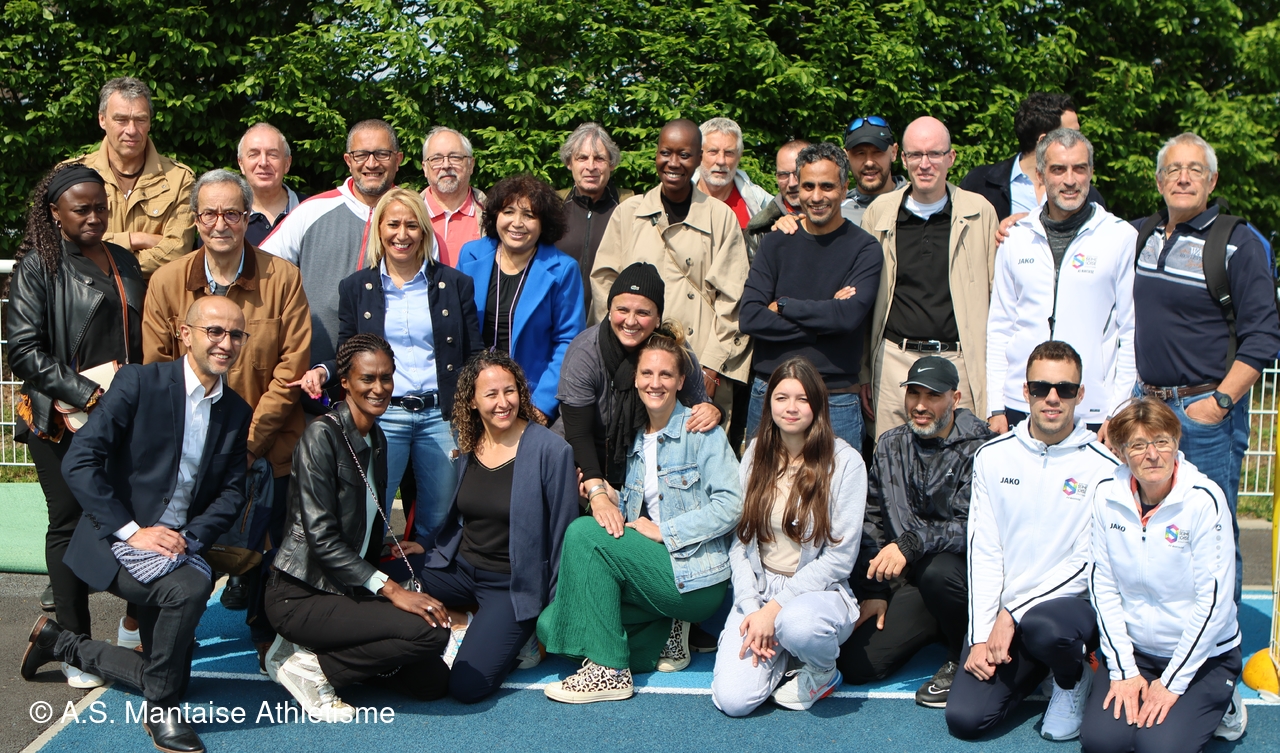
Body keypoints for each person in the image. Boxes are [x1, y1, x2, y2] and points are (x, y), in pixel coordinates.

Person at [21, 296, 252, 753]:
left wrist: (191, 538)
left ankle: (60, 643)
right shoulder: (139, 382)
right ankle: (161, 711)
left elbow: (232, 492)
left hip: (177, 548)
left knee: (172, 674)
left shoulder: (236, 410)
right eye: (214, 331)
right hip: (118, 540)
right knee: (189, 591)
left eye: (236, 334)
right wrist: (132, 531)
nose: (226, 343)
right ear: (185, 335)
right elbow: (80, 461)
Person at [141, 168, 311, 649]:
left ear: (247, 217)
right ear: (196, 219)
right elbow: (158, 370)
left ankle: (267, 639)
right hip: (189, 446)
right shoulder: (167, 281)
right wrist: (200, 442)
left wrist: (248, 443)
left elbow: (292, 368)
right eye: (210, 213)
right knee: (182, 544)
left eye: (232, 213)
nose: (221, 223)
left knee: (269, 552)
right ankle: (172, 636)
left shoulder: (283, 278)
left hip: (268, 446)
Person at [538, 329, 744, 702]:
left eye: (666, 374)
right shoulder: (636, 438)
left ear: (680, 381)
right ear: (636, 379)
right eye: (647, 373)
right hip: (654, 572)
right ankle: (664, 633)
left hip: (696, 576)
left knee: (583, 533)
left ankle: (610, 671)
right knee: (552, 624)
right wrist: (607, 495)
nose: (655, 382)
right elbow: (637, 511)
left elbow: (732, 504)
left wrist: (666, 531)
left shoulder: (701, 431)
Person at [7, 163, 145, 689]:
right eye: (81, 209)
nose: (93, 217)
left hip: (121, 414)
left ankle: (133, 631)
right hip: (60, 420)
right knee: (68, 524)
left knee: (136, 516)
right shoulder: (38, 266)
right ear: (54, 212)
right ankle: (73, 647)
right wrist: (87, 393)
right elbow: (23, 350)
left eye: (101, 208)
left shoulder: (123, 259)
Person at [265, 334, 453, 721]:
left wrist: (390, 552)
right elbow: (321, 539)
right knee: (431, 633)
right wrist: (392, 590)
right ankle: (310, 668)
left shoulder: (376, 436)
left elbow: (361, 521)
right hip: (301, 594)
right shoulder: (321, 436)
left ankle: (319, 655)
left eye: (386, 378)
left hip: (346, 588)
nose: (379, 388)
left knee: (431, 682)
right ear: (345, 382)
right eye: (367, 378)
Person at [1132, 132, 1280, 606]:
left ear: (1212, 181)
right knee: (1149, 527)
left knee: (1211, 532)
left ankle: (1221, 638)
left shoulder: (1238, 243)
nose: (1183, 178)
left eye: (1195, 170)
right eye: (1173, 169)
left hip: (1205, 413)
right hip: (1147, 410)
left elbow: (1264, 337)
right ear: (1159, 181)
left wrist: (1218, 404)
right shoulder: (1139, 235)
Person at [946, 341, 1119, 742]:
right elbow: (984, 550)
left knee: (1047, 628)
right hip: (1004, 621)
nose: (1052, 398)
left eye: (1065, 389)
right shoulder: (992, 456)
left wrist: (1013, 613)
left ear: (1080, 394)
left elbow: (1088, 562)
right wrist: (981, 635)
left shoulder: (1105, 469)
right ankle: (1038, 669)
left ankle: (1071, 677)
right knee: (966, 720)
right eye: (1041, 388)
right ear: (1026, 392)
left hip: (1065, 615)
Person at [293, 188, 482, 543]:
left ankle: (428, 575)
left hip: (440, 416)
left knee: (439, 518)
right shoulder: (356, 287)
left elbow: (473, 353)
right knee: (369, 513)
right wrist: (323, 371)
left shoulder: (455, 285)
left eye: (412, 225)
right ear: (379, 228)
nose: (402, 234)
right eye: (393, 224)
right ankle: (371, 575)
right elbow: (348, 351)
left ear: (423, 231)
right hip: (382, 415)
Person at [406, 351, 579, 702]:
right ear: (472, 401)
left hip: (508, 587)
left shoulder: (551, 450)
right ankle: (463, 619)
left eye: (510, 391)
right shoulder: (469, 442)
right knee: (385, 581)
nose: (503, 403)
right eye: (491, 394)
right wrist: (425, 542)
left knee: (466, 687)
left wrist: (551, 613)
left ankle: (519, 639)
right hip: (458, 570)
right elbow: (465, 513)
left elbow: (564, 535)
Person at [1082, 398, 1244, 752]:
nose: (1152, 454)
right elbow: (1102, 585)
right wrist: (1124, 669)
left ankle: (1225, 704)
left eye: (1161, 441)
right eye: (1138, 445)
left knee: (1158, 748)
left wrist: (1172, 682)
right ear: (1122, 452)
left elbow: (1214, 603)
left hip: (1204, 656)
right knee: (1102, 742)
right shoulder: (1105, 495)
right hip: (1138, 652)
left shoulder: (1204, 500)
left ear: (1176, 442)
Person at [711, 357, 866, 716]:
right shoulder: (755, 453)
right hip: (760, 590)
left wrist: (775, 610)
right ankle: (785, 656)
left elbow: (839, 559)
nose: (791, 408)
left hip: (815, 596)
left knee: (798, 625)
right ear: (769, 404)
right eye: (781, 398)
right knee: (733, 701)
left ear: (818, 405)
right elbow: (740, 542)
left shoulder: (846, 463)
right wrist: (753, 607)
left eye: (802, 399)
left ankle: (821, 671)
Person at [839, 355, 995, 707]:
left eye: (933, 396)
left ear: (955, 398)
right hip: (912, 583)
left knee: (937, 571)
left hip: (963, 580)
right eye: (914, 393)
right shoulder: (889, 444)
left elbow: (975, 528)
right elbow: (872, 518)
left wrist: (912, 542)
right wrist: (875, 590)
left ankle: (959, 652)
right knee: (856, 665)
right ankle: (937, 626)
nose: (920, 405)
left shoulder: (984, 448)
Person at [591, 119, 752, 429]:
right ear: (656, 154)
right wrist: (618, 352)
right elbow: (604, 286)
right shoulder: (629, 213)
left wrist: (712, 367)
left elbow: (734, 300)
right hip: (635, 367)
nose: (674, 163)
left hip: (698, 365)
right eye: (666, 153)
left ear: (699, 157)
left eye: (684, 155)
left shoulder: (721, 217)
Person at [986, 129, 1136, 438]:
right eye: (1058, 169)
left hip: (1091, 408)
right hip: (1021, 403)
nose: (1070, 180)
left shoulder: (1120, 237)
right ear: (1040, 176)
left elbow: (1131, 332)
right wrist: (996, 406)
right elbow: (1000, 326)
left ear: (1090, 172)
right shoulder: (1016, 237)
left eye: (1079, 168)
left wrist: (1117, 411)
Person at [860, 116, 999, 440]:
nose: (925, 164)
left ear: (951, 158)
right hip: (894, 363)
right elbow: (863, 301)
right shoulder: (879, 213)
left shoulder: (980, 212)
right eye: (916, 155)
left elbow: (999, 301)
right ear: (902, 158)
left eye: (935, 154)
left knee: (962, 459)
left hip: (958, 363)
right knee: (891, 460)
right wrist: (863, 370)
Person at [740, 143, 883, 452]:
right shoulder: (775, 243)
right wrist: (823, 323)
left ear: (844, 188)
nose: (816, 197)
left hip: (835, 397)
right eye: (808, 186)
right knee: (762, 484)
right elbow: (750, 317)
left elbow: (847, 317)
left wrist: (784, 305)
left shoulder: (865, 248)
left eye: (827, 186)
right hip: (771, 391)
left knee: (838, 485)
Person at [559, 263, 721, 497]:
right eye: (622, 310)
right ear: (609, 310)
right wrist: (597, 490)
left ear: (658, 318)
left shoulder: (674, 350)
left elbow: (699, 407)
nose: (630, 321)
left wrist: (713, 411)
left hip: (652, 461)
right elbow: (578, 434)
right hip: (586, 456)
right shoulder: (584, 352)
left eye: (643, 313)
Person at [262, 119, 403, 374]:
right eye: (361, 155)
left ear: (398, 159)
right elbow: (261, 266)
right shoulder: (312, 211)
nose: (371, 163)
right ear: (348, 160)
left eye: (382, 154)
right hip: (313, 369)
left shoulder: (413, 219)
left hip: (390, 376)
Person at [457, 175, 585, 421]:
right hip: (475, 399)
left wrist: (542, 405)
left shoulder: (563, 269)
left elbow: (568, 342)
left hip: (530, 400)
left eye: (529, 215)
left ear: (543, 223)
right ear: (496, 215)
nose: (517, 223)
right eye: (508, 212)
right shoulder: (470, 255)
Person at [63, 77, 195, 277]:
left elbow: (177, 254)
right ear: (102, 120)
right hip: (85, 293)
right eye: (121, 120)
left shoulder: (179, 179)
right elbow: (63, 246)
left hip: (151, 296)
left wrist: (100, 257)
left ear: (149, 122)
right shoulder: (71, 176)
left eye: (140, 120)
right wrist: (137, 239)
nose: (132, 130)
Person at [960, 92, 1105, 220]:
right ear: (1043, 141)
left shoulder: (1089, 195)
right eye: (1071, 135)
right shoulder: (981, 183)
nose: (1079, 141)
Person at [555, 123, 634, 312]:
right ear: (569, 163)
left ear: (612, 164)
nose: (591, 167)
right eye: (582, 158)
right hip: (558, 317)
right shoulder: (554, 206)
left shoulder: (629, 207)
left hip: (610, 318)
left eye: (599, 159)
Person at [693, 117, 772, 252]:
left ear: (739, 156)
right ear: (698, 155)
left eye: (729, 153)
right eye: (713, 152)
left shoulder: (757, 200)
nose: (721, 161)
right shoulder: (679, 199)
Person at [420, 126, 486, 266]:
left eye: (455, 157)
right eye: (436, 158)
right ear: (425, 168)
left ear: (471, 165)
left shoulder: (492, 214)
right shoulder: (409, 214)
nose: (446, 165)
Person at [236, 123, 305, 247]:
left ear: (287, 163)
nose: (263, 163)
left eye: (272, 155)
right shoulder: (227, 218)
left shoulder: (311, 212)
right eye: (254, 154)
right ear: (241, 164)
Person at [842, 116, 906, 225]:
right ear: (846, 157)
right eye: (860, 153)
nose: (869, 162)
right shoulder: (836, 215)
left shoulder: (916, 205)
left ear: (894, 152)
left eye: (877, 152)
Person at [745, 140, 810, 238]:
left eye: (798, 174)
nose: (792, 183)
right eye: (783, 175)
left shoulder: (834, 218)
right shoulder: (758, 232)